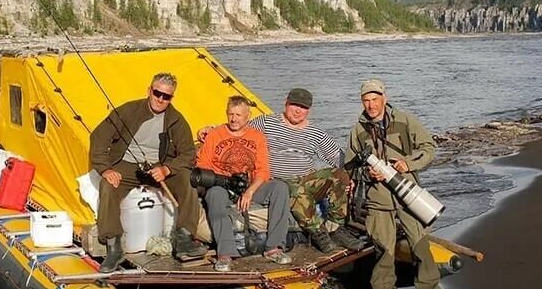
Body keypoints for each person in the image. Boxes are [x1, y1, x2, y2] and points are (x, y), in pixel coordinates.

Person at [90, 72, 208, 272]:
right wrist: (105, 169)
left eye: (166, 96)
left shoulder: (177, 120)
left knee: (188, 181)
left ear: (171, 98)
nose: (160, 99)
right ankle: (114, 245)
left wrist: (167, 169)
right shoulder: (128, 110)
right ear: (149, 91)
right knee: (108, 185)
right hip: (128, 164)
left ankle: (184, 239)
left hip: (160, 166)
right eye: (157, 93)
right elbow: (99, 138)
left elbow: (188, 153)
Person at [348, 79, 443, 289]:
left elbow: (428, 147)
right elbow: (350, 167)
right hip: (378, 200)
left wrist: (406, 164)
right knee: (383, 253)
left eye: (375, 99)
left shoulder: (405, 120)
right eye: (366, 100)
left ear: (384, 98)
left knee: (421, 248)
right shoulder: (358, 130)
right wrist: (367, 173)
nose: (371, 105)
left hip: (409, 197)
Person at [244, 88, 360, 253]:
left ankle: (336, 228)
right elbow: (239, 131)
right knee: (293, 188)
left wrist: (351, 178)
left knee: (340, 176)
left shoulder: (316, 134)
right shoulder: (265, 123)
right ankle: (318, 231)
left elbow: (340, 159)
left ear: (309, 110)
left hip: (304, 179)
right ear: (286, 103)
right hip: (276, 182)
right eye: (294, 105)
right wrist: (211, 130)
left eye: (303, 107)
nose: (298, 111)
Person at [196, 96, 293, 272]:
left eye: (238, 115)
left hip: (250, 185)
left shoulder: (257, 137)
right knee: (215, 195)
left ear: (247, 116)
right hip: (222, 185)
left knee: (280, 188)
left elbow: (263, 170)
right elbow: (202, 166)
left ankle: (274, 248)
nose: (234, 119)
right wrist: (219, 180)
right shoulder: (215, 135)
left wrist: (249, 192)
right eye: (231, 114)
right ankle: (225, 254)